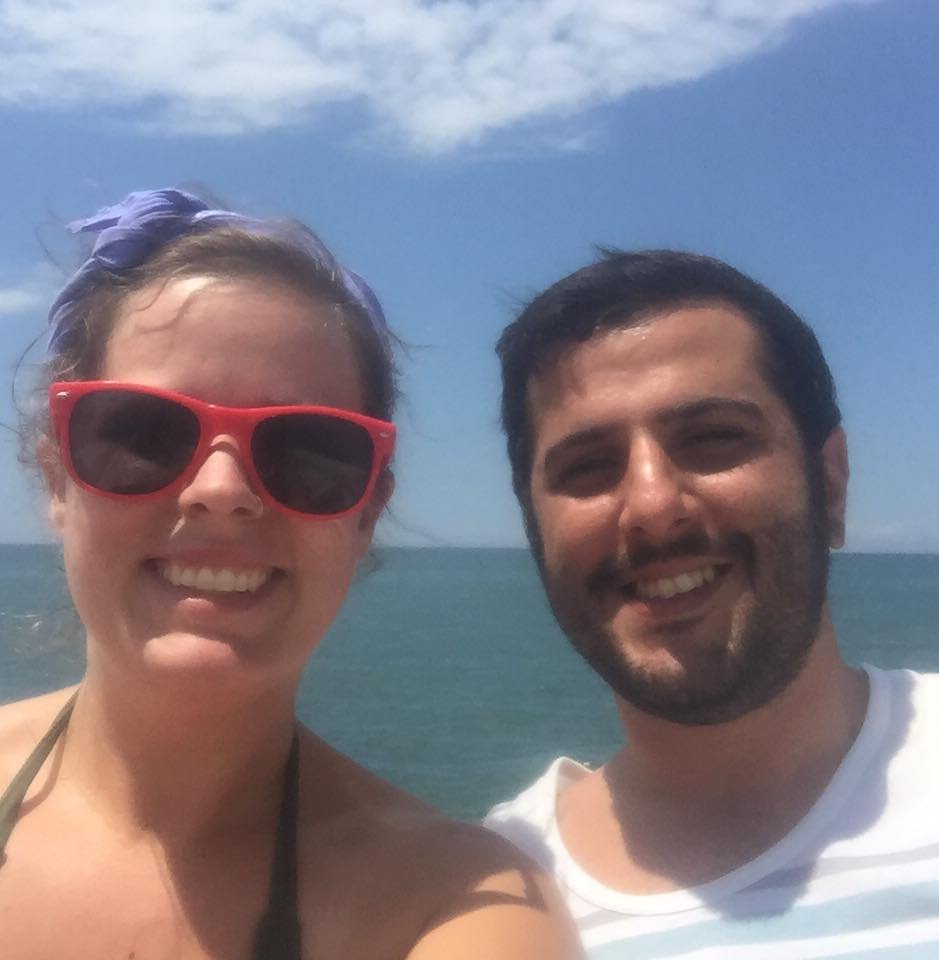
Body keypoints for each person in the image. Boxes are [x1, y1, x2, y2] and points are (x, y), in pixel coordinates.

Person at [0, 188, 580, 959]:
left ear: (366, 515)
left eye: (307, 452)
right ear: (57, 481)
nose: (221, 491)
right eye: (143, 434)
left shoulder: (446, 904)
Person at [484, 249, 939, 957]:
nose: (653, 505)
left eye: (713, 439)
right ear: (535, 527)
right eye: (587, 466)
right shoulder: (494, 904)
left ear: (829, 484)